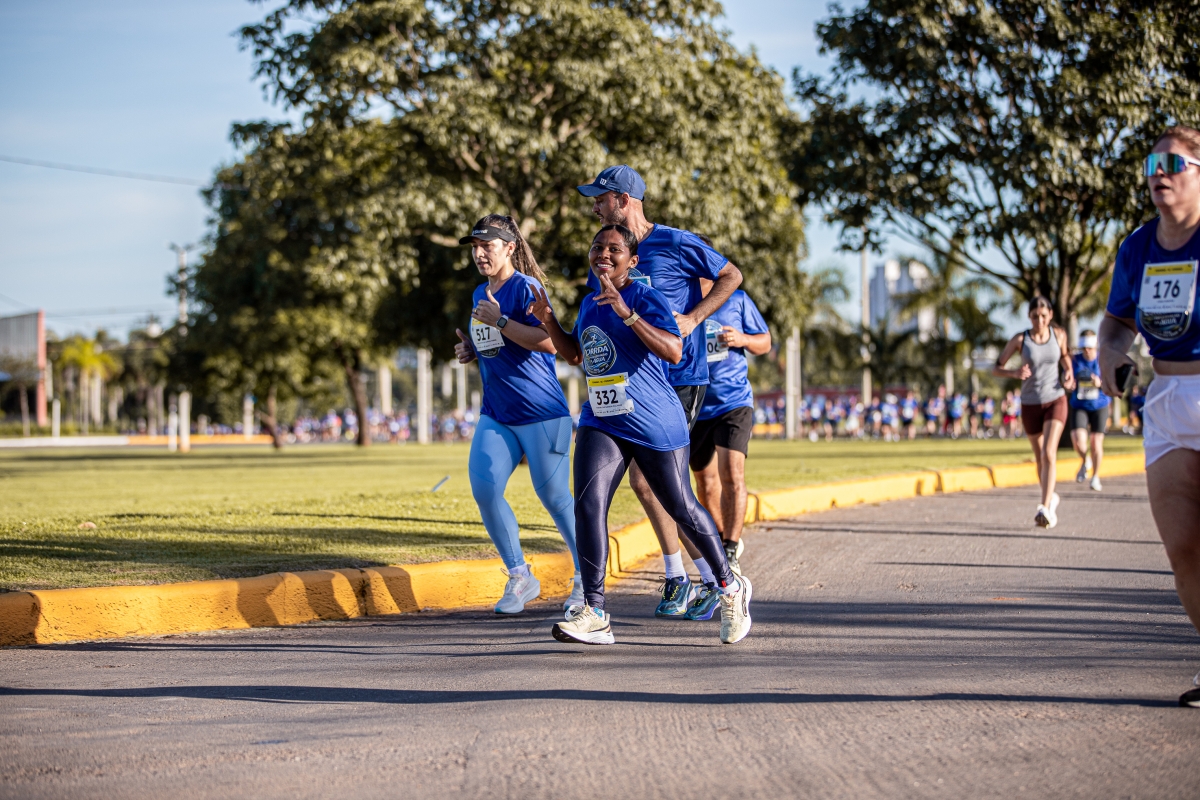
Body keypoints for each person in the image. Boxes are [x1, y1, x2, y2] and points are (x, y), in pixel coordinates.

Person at [531, 225, 752, 645]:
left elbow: (674, 350)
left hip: (653, 422)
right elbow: (576, 354)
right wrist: (548, 321)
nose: (603, 254)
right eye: (597, 247)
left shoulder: (646, 298)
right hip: (603, 419)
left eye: (614, 249)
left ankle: (729, 586)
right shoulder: (590, 302)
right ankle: (595, 612)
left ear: (632, 261)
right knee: (588, 505)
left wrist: (627, 314)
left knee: (682, 506)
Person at [577, 165, 743, 617]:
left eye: (601, 199)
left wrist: (694, 318)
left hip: (679, 375)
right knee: (647, 486)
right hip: (629, 385)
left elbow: (731, 275)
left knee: (657, 485)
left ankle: (714, 580)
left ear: (623, 200)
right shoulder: (607, 254)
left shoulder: (675, 241)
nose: (595, 207)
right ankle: (680, 577)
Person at [1099, 126, 1200, 707]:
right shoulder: (1138, 246)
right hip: (1165, 401)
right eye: (1151, 164)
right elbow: (1118, 321)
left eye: (1174, 163)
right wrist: (1110, 353)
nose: (1159, 173)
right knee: (1184, 548)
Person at [452, 214, 583, 614]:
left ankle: (586, 579)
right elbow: (500, 346)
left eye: (487, 246)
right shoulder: (480, 293)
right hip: (497, 412)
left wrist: (501, 321)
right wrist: (473, 351)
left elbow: (549, 343)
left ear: (509, 247)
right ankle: (520, 576)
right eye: (475, 248)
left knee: (556, 498)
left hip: (541, 412)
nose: (480, 254)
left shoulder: (528, 287)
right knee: (485, 489)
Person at [684, 288, 771, 619]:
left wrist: (743, 339)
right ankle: (720, 543)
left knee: (732, 474)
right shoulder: (682, 296)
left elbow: (765, 342)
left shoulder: (737, 299)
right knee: (705, 484)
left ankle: (731, 549)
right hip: (695, 405)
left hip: (734, 402)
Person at [993, 296, 1076, 528]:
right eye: (1034, 316)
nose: (1039, 321)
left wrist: (1069, 372)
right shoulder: (1021, 339)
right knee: (1040, 457)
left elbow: (1065, 356)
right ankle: (1050, 498)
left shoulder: (1059, 335)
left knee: (1049, 452)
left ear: (1050, 315)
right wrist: (1014, 373)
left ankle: (1045, 506)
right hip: (1030, 403)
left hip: (1055, 399)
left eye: (1043, 316)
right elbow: (996, 368)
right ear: (1029, 317)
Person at [1069, 329, 1109, 491]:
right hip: (1079, 405)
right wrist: (1069, 382)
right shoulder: (1075, 360)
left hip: (1100, 405)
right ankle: (1086, 460)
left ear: (1095, 346)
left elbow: (1111, 383)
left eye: (1090, 347)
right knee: (1078, 441)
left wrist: (1100, 383)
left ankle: (1095, 477)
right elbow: (1067, 376)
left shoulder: (1103, 360)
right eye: (1084, 347)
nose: (1086, 350)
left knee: (1096, 442)